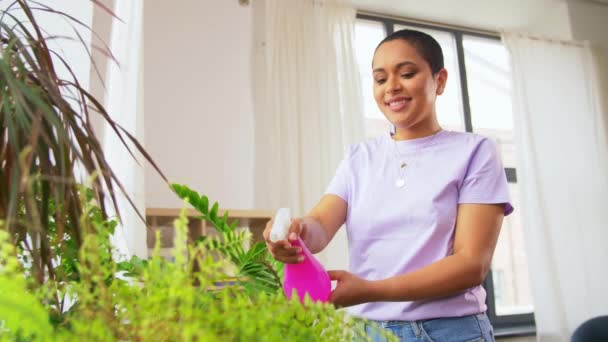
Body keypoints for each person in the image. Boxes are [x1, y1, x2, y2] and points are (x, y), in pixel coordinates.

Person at [263, 29, 512, 342]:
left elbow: (470, 264)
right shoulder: (359, 157)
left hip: (450, 331)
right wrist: (294, 234)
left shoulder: (475, 152)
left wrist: (370, 290)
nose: (392, 87)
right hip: (368, 334)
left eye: (406, 73)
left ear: (441, 79)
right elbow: (319, 227)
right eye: (380, 79)